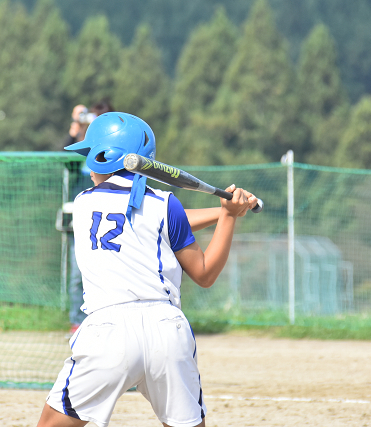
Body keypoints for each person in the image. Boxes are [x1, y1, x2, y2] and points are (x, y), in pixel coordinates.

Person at [38, 112, 257, 427]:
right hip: (167, 331)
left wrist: (225, 210)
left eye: (92, 156)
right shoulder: (166, 205)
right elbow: (204, 273)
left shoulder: (83, 203)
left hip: (107, 332)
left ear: (105, 158)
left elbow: (157, 220)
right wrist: (228, 217)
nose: (88, 169)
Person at [63, 100, 115, 336]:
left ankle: (107, 320)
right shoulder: (81, 147)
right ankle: (77, 322)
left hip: (110, 217)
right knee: (77, 273)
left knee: (110, 270)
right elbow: (63, 158)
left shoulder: (115, 149)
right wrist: (75, 127)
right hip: (82, 218)